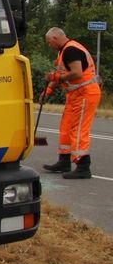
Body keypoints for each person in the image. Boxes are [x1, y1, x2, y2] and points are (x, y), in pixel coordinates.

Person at [42, 27, 100, 179]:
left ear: (55, 38)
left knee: (78, 129)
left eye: (49, 42)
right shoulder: (63, 51)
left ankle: (83, 166)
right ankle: (64, 160)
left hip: (85, 93)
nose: (50, 45)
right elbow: (60, 73)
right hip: (75, 95)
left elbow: (76, 73)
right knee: (66, 127)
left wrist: (55, 78)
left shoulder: (70, 50)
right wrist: (48, 92)